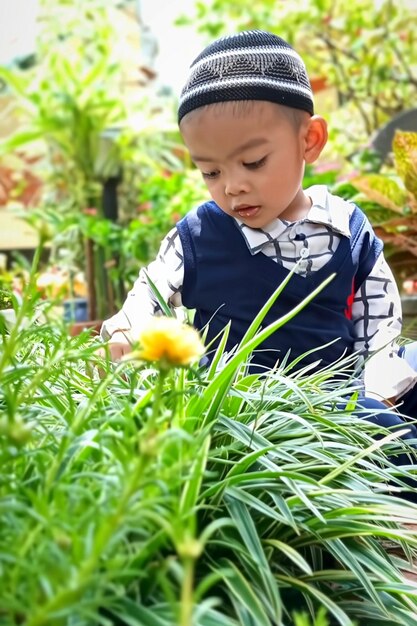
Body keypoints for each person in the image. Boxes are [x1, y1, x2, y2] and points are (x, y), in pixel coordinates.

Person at [101, 30, 417, 438]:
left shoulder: (348, 230)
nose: (231, 186)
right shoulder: (199, 236)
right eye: (210, 172)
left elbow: (377, 325)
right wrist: (130, 325)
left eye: (253, 162)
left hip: (345, 400)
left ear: (310, 140)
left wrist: (379, 384)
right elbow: (149, 293)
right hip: (250, 416)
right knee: (392, 439)